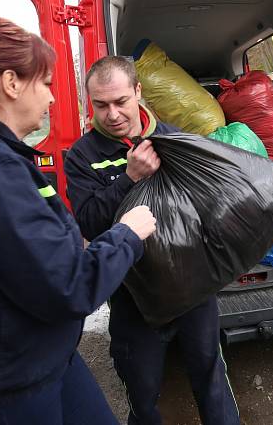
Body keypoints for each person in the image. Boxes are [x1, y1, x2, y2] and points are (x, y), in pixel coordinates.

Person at [0, 13, 157, 425]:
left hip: (37, 355)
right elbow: (70, 287)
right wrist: (128, 233)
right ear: (11, 84)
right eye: (45, 83)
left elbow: (19, 252)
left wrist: (70, 244)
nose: (52, 98)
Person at [63, 56, 240, 425]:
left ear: (138, 92)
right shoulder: (82, 156)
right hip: (133, 295)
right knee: (141, 388)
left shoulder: (175, 139)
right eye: (101, 105)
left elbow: (209, 207)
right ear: (89, 103)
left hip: (192, 285)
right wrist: (129, 177)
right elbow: (91, 224)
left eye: (121, 101)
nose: (112, 114)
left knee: (210, 374)